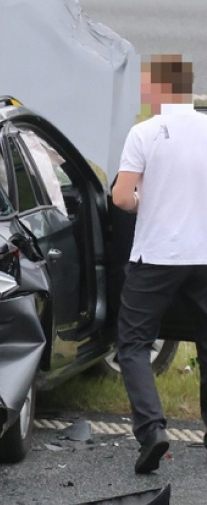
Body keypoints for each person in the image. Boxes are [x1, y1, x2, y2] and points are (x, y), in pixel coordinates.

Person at [112, 54, 207, 474]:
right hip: (204, 254)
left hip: (156, 256)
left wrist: (141, 201)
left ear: (159, 90)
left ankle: (152, 431)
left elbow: (120, 198)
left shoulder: (144, 133)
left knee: (133, 343)